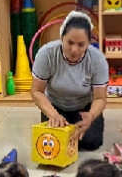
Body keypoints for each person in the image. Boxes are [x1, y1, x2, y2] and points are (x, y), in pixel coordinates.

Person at [30, 11, 109, 152]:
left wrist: (90, 116)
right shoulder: (46, 54)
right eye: (70, 42)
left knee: (91, 142)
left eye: (81, 44)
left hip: (84, 107)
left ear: (89, 43)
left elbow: (100, 98)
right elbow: (36, 91)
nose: (74, 49)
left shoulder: (97, 60)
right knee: (54, 142)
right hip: (55, 106)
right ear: (62, 38)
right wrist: (53, 115)